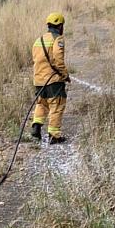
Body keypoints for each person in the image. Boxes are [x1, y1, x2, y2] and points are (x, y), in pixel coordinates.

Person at [31, 12, 70, 144]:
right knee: (57, 105)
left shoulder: (38, 40)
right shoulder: (57, 39)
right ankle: (54, 135)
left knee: (42, 103)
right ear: (60, 26)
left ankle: (36, 126)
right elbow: (58, 60)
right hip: (53, 80)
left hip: (38, 80)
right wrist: (65, 75)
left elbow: (36, 60)